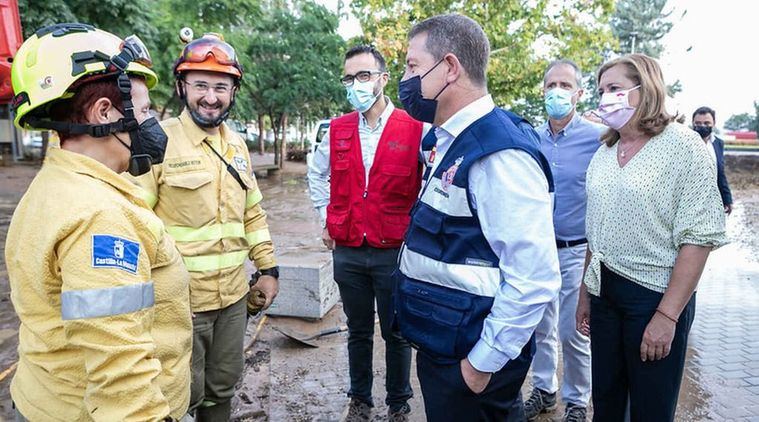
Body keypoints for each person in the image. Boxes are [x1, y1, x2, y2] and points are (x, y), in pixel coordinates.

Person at [6, 23, 192, 421]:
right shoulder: (98, 217)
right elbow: (120, 368)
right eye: (143, 111)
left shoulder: (55, 184)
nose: (151, 125)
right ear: (103, 112)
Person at [393, 14, 561, 421]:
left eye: (413, 67)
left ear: (450, 68)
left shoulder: (499, 153)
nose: (405, 79)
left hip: (471, 362)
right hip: (446, 345)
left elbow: (535, 278)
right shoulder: (451, 139)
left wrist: (481, 365)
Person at [132, 32, 278, 421]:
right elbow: (133, 222)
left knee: (222, 387)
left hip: (233, 300)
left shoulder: (238, 147)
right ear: (182, 87)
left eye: (220, 86)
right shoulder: (158, 140)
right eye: (200, 85)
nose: (210, 97)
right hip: (179, 305)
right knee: (178, 394)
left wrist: (267, 269)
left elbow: (252, 212)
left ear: (233, 92)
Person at [576, 54, 728, 421]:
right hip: (605, 294)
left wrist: (667, 316)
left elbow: (699, 238)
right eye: (601, 91)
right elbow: (595, 231)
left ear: (646, 89)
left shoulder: (684, 147)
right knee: (607, 404)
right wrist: (584, 295)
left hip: (654, 297)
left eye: (614, 88)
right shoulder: (604, 152)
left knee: (650, 409)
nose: (604, 98)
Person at [307, 45, 424, 422]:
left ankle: (398, 403)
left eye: (363, 76)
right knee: (358, 329)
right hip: (350, 248)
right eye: (349, 78)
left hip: (394, 248)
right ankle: (359, 399)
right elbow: (317, 174)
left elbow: (429, 185)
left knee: (396, 332)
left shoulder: (415, 128)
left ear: (382, 79)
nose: (355, 85)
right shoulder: (338, 128)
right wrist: (325, 218)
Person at [524, 59, 604, 422]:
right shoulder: (531, 139)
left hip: (576, 251)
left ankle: (577, 400)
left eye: (565, 85)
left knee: (573, 330)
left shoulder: (597, 139)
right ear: (542, 91)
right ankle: (544, 390)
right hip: (539, 249)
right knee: (540, 326)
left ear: (579, 93)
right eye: (551, 85)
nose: (557, 92)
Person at [692, 106, 733, 214]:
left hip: (712, 200)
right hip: (690, 200)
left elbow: (720, 172)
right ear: (693, 123)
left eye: (706, 123)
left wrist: (727, 199)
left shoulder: (718, 143)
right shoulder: (685, 143)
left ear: (713, 123)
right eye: (698, 123)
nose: (702, 126)